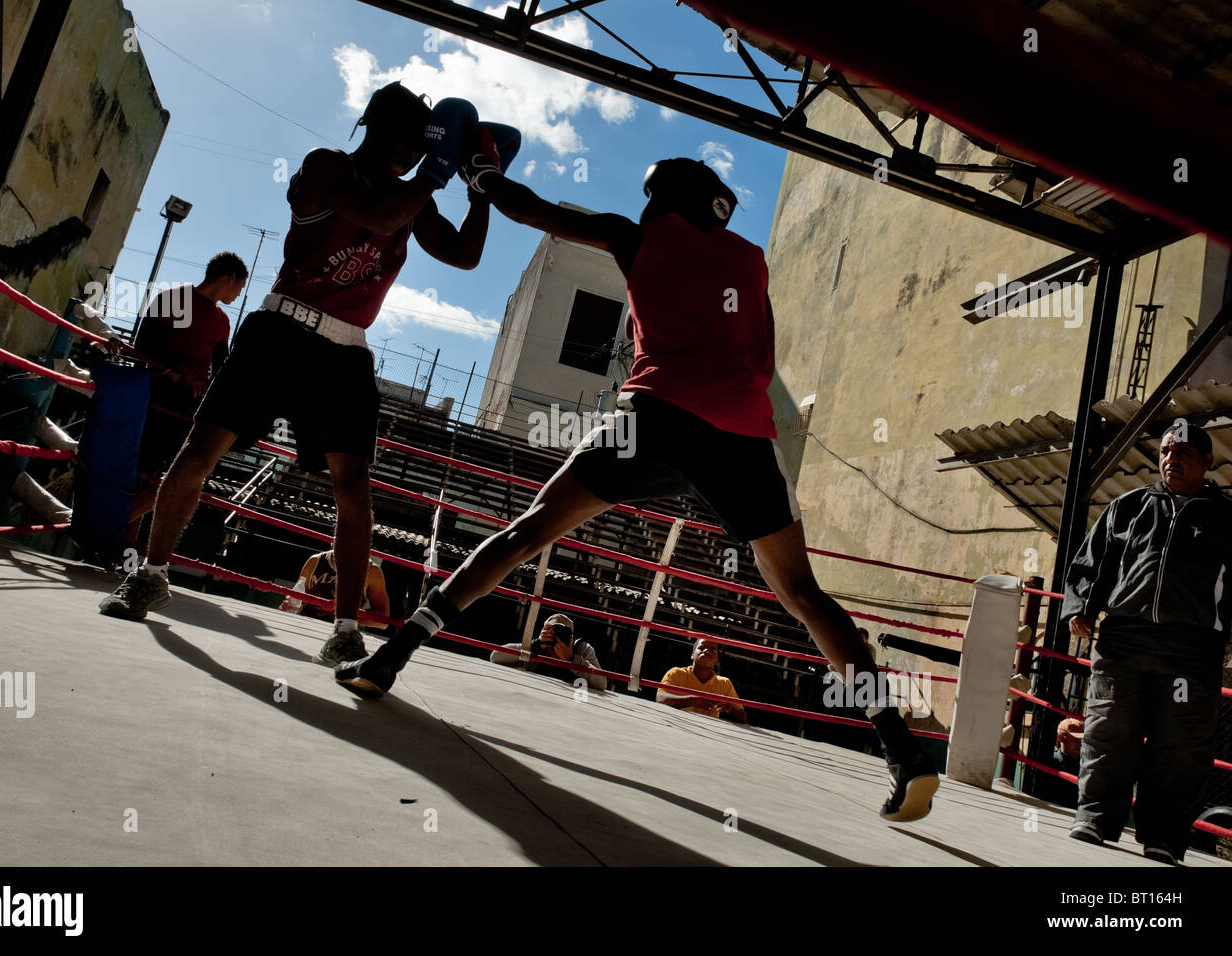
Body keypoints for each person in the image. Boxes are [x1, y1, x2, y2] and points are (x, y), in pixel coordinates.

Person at [336, 155, 940, 821]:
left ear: (662, 198)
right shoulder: (751, 260)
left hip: (653, 417)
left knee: (529, 531)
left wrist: (481, 177)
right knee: (802, 593)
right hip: (742, 436)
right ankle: (903, 750)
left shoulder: (638, 236)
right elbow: (763, 351)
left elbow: (537, 211)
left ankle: (392, 656)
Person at [99, 82, 516, 672]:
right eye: (408, 136)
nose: (414, 151)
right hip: (279, 331)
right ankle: (151, 576)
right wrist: (440, 171)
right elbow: (379, 215)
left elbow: (464, 256)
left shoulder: (413, 194)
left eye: (421, 141)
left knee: (354, 490)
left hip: (345, 351)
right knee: (198, 455)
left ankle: (346, 631)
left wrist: (480, 191)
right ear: (379, 130)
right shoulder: (328, 169)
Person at [1062, 420, 1232, 863]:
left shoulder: (1226, 518)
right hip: (1125, 643)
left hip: (1190, 654)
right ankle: (1095, 819)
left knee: (1180, 747)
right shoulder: (1130, 506)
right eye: (1166, 452)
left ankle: (1164, 838)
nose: (1171, 459)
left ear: (1208, 461)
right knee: (1109, 731)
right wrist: (1079, 605)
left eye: (1184, 453)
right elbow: (1090, 562)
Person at [126, 253, 248, 534]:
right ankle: (115, 542)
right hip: (154, 397)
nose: (239, 294)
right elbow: (143, 344)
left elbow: (221, 368)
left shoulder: (222, 321)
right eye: (240, 287)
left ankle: (122, 543)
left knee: (165, 478)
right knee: (139, 473)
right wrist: (178, 370)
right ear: (230, 278)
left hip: (189, 409)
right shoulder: (175, 298)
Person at [489, 613, 606, 691]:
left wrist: (572, 659)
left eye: (561, 631)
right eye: (550, 630)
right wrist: (534, 646)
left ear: (571, 637)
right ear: (542, 632)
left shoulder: (581, 648)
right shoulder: (536, 647)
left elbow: (602, 683)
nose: (555, 635)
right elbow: (495, 657)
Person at [280, 551, 390, 631]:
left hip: (340, 637)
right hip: (304, 627)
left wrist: (346, 611)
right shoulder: (315, 561)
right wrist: (292, 607)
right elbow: (297, 599)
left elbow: (383, 622)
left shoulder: (372, 571)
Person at [657, 639, 747, 723]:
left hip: (707, 734)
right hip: (676, 725)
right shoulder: (676, 673)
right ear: (692, 654)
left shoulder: (724, 683)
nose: (706, 651)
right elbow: (660, 699)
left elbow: (743, 719)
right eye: (701, 648)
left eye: (712, 650)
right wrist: (692, 700)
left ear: (717, 660)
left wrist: (730, 709)